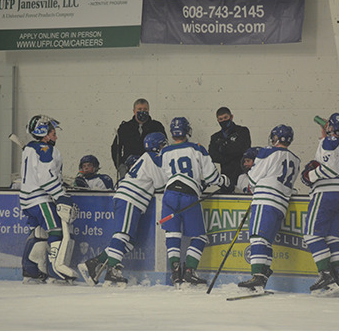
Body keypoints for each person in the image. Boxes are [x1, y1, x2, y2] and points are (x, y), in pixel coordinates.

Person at [78, 132, 169, 287]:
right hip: (130, 199)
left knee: (129, 242)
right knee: (122, 235)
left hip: (131, 200)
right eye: (163, 144)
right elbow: (160, 184)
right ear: (157, 145)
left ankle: (93, 263)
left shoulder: (146, 158)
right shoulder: (152, 158)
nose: (164, 147)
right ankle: (112, 272)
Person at [160, 117, 231, 286]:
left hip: (169, 194)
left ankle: (175, 272)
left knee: (172, 234)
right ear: (187, 130)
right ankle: (190, 271)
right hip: (188, 195)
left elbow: (162, 177)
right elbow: (212, 176)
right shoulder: (197, 149)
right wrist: (225, 182)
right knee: (199, 236)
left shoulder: (164, 151)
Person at [237, 125, 301, 290]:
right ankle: (263, 275)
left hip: (265, 201)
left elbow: (253, 178)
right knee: (266, 241)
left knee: (257, 237)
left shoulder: (267, 152)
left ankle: (257, 276)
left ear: (276, 138)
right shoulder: (296, 159)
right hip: (281, 205)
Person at [20, 115, 79, 284]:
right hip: (41, 199)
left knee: (39, 233)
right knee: (56, 230)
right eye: (53, 133)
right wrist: (60, 194)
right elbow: (45, 178)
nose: (56, 137)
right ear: (44, 133)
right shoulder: (46, 149)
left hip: (27, 200)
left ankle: (31, 269)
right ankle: (56, 269)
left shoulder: (30, 148)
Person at [301, 112, 339, 297]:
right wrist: (324, 132)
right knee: (332, 238)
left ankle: (325, 276)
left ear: (333, 127)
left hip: (326, 192)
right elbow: (330, 154)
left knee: (312, 235)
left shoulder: (329, 141)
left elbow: (328, 167)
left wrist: (311, 175)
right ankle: (337, 279)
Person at [111, 98, 166, 179]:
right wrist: (120, 166)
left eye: (145, 109)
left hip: (151, 167)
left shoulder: (157, 126)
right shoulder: (125, 127)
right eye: (139, 109)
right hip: (129, 168)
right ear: (134, 111)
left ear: (149, 110)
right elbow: (116, 148)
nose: (142, 111)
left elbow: (164, 147)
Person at [209, 107, 251, 188]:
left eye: (226, 117)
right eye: (221, 119)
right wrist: (232, 151)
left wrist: (222, 148)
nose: (224, 121)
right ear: (218, 120)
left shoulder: (242, 131)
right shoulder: (215, 137)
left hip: (242, 174)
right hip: (226, 177)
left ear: (231, 117)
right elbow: (213, 156)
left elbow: (243, 149)